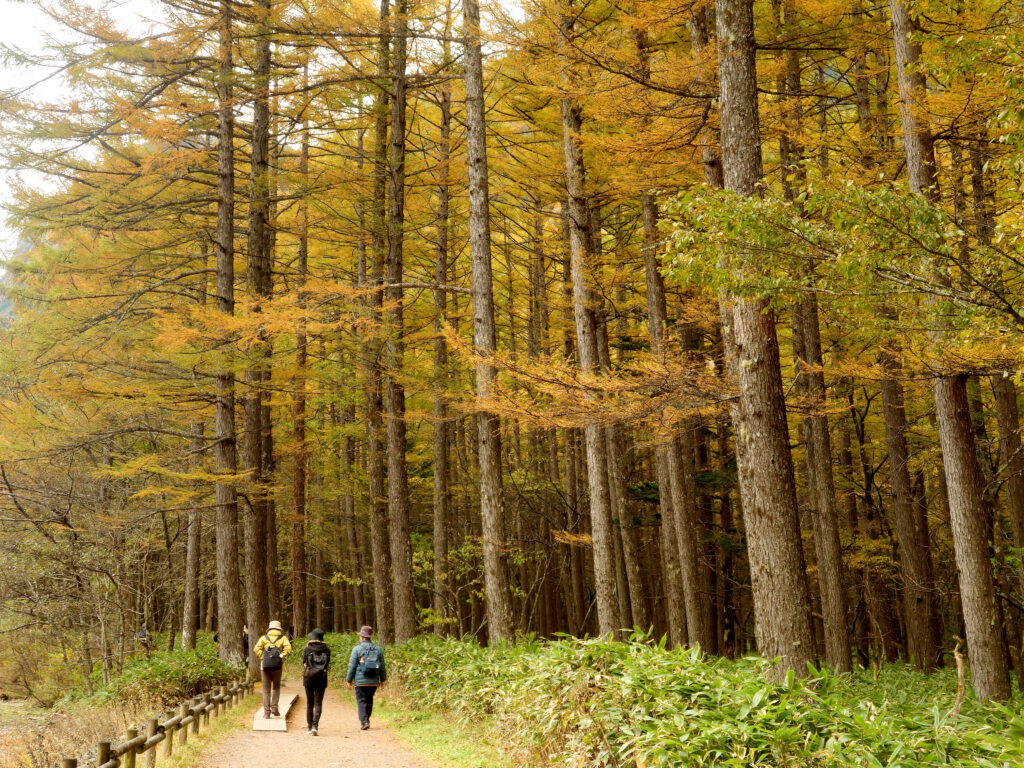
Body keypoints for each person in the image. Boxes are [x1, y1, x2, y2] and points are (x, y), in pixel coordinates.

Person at [346, 625, 386, 730]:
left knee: (361, 701)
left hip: (360, 681)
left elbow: (352, 666)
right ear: (370, 637)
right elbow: (382, 666)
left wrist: (349, 680)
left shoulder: (357, 649)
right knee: (369, 699)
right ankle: (367, 719)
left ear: (362, 637)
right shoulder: (378, 649)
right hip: (373, 681)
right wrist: (382, 680)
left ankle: (364, 721)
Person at [254, 620, 292, 718]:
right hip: (277, 667)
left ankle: (267, 712)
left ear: (270, 629)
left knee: (266, 690)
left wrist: (263, 657)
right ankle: (274, 707)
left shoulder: (264, 638)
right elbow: (288, 648)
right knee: (276, 687)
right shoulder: (283, 638)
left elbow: (256, 648)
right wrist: (281, 656)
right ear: (279, 629)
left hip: (265, 667)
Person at [302, 628, 331, 736]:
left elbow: (304, 663)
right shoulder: (327, 650)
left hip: (309, 678)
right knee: (318, 702)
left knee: (310, 703)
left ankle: (309, 727)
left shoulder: (307, 649)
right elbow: (327, 664)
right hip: (321, 678)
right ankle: (315, 726)